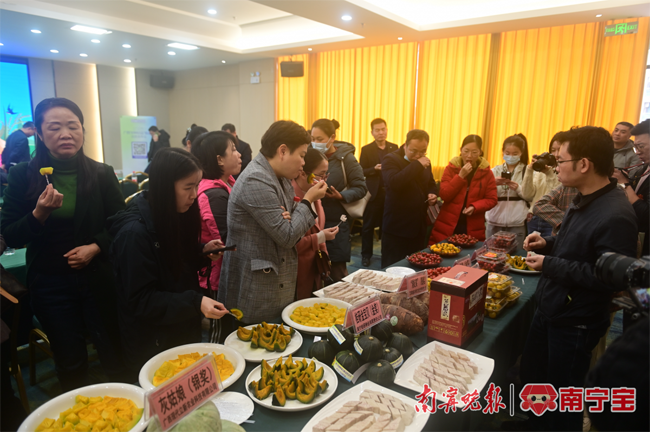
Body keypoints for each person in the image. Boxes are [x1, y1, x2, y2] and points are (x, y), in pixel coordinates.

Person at [515, 127, 638, 432]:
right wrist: (548, 244)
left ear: (584, 164)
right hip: (552, 305)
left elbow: (606, 277)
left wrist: (549, 263)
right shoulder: (584, 198)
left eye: (561, 160)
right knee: (535, 377)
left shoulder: (616, 214)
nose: (556, 167)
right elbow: (577, 245)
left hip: (575, 319)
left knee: (563, 394)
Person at [0, 98, 126, 391]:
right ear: (40, 134)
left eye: (73, 126)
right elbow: (10, 235)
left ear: (83, 130)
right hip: (50, 283)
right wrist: (39, 214)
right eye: (54, 128)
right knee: (70, 361)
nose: (66, 134)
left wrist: (96, 247)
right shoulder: (23, 175)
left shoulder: (101, 173)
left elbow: (121, 223)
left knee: (113, 350)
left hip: (98, 278)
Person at [107, 148, 228, 378]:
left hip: (179, 327)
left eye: (196, 186)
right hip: (153, 341)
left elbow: (173, 261)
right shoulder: (134, 234)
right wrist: (195, 302)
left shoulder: (173, 214)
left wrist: (201, 251)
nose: (194, 195)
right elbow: (142, 300)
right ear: (164, 186)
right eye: (188, 187)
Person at [219, 121, 328, 324]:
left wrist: (291, 216)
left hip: (275, 280)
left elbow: (292, 220)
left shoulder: (280, 176)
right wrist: (308, 200)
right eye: (302, 155)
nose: (303, 163)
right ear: (283, 151)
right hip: (256, 290)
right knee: (256, 339)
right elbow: (287, 236)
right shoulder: (256, 179)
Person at [190, 131, 241, 343]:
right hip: (215, 276)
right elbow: (227, 240)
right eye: (233, 150)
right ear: (219, 159)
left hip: (226, 271)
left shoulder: (228, 183)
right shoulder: (213, 193)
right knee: (220, 332)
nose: (239, 155)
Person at [311, 119, 368, 281]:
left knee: (337, 271)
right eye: (312, 139)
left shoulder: (346, 159)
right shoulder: (309, 156)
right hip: (311, 222)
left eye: (320, 139)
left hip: (335, 221)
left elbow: (361, 188)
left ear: (332, 138)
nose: (315, 143)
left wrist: (341, 196)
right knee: (313, 271)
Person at [382, 129, 438, 268]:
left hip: (418, 226)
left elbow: (431, 183)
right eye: (414, 151)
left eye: (423, 151)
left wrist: (432, 193)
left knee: (415, 267)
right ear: (405, 145)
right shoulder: (391, 159)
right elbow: (394, 182)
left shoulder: (425, 162)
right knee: (393, 268)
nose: (418, 155)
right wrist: (417, 164)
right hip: (397, 227)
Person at [429, 135, 497, 244]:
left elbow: (492, 199)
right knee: (442, 251)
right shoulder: (451, 168)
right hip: (448, 223)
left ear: (480, 152)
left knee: (470, 253)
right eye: (466, 151)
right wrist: (460, 176)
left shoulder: (487, 173)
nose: (469, 156)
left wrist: (475, 207)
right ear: (460, 150)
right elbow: (444, 194)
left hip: (473, 225)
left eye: (474, 152)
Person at [292, 148, 339, 299]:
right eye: (320, 175)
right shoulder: (290, 198)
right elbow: (290, 243)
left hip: (315, 266)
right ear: (302, 173)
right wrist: (320, 237)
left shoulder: (316, 196)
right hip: (296, 270)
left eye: (326, 175)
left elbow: (319, 229)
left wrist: (325, 258)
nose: (324, 181)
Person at [359, 118, 398, 267]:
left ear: (387, 130)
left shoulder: (394, 147)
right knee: (368, 226)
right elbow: (361, 170)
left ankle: (386, 255)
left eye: (383, 129)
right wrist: (374, 169)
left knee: (388, 226)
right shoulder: (366, 149)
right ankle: (366, 255)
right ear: (372, 132)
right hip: (374, 193)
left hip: (390, 193)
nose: (381, 132)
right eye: (377, 130)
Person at [612, 119, 650, 256]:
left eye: (641, 146)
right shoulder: (643, 169)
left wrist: (625, 184)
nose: (637, 152)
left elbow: (646, 215)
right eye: (636, 147)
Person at [485, 134, 530, 245]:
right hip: (494, 222)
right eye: (507, 153)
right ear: (503, 153)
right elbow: (483, 194)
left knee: (516, 253)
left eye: (515, 154)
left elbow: (531, 196)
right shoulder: (494, 171)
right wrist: (492, 183)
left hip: (517, 223)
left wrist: (518, 189)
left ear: (521, 153)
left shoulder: (527, 172)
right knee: (490, 253)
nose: (511, 156)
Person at [521, 133, 562, 237]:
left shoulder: (565, 171)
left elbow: (557, 199)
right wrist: (529, 170)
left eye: (560, 150)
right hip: (534, 218)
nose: (556, 154)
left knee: (550, 246)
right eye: (553, 150)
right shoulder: (542, 169)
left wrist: (549, 173)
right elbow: (527, 195)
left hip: (552, 219)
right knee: (531, 247)